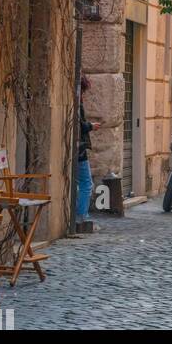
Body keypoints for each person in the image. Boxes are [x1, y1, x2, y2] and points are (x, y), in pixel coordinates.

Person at [76, 75, 99, 229]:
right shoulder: (77, 104)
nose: (84, 95)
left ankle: (79, 215)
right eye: (83, 91)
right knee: (86, 183)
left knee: (80, 183)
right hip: (80, 149)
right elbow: (79, 126)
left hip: (77, 149)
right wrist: (91, 126)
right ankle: (81, 217)